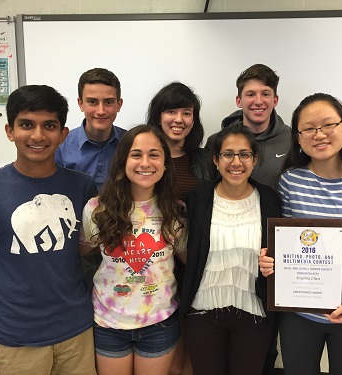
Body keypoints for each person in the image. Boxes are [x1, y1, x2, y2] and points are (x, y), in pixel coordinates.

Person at [0, 85, 98, 375]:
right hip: (15, 342)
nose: (37, 136)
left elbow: (82, 245)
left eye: (49, 126)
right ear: (10, 131)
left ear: (63, 133)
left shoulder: (82, 186)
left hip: (78, 334)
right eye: (26, 125)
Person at [259, 93, 342, 375]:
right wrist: (270, 261)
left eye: (328, 125)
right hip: (299, 315)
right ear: (297, 137)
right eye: (308, 128)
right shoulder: (289, 182)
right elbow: (284, 245)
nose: (319, 135)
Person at [80, 124, 187, 375]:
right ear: (123, 160)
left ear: (165, 163)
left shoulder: (176, 211)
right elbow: (82, 251)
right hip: (109, 322)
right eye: (136, 154)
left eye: (154, 154)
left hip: (159, 322)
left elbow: (187, 258)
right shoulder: (97, 209)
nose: (145, 162)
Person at [181, 124, 281, 375]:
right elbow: (185, 251)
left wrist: (275, 264)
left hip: (254, 313)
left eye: (244, 154)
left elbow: (281, 252)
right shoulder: (197, 199)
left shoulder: (270, 199)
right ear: (215, 160)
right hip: (202, 312)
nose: (236, 162)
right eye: (228, 154)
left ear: (255, 160)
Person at [147, 82, 211, 375]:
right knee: (160, 344)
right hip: (148, 262)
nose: (179, 119)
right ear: (158, 116)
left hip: (191, 262)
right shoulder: (144, 158)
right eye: (171, 111)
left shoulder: (202, 160)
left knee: (191, 341)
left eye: (187, 113)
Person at [55, 67, 126, 287]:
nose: (101, 110)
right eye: (92, 102)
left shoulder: (130, 144)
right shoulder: (60, 146)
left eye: (109, 102)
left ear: (119, 104)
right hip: (74, 245)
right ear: (80, 104)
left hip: (121, 244)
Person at [204, 63, 291, 189]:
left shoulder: (292, 140)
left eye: (265, 94)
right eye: (251, 94)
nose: (259, 101)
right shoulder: (216, 142)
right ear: (238, 101)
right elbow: (208, 188)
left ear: (275, 100)